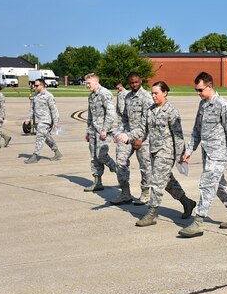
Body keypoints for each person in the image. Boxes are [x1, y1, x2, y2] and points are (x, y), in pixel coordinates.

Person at [117, 82, 196, 227]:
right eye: (152, 93)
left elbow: (178, 136)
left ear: (165, 93)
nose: (153, 96)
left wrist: (181, 156)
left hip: (167, 152)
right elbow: (142, 130)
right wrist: (128, 137)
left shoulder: (171, 111)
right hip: (153, 151)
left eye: (156, 93)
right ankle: (187, 202)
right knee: (165, 181)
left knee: (156, 182)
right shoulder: (150, 110)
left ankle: (151, 213)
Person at [179, 72, 227, 237]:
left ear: (209, 86)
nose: (198, 93)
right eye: (196, 90)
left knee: (207, 185)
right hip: (207, 153)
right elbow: (196, 130)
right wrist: (188, 151)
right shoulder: (203, 104)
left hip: (219, 153)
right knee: (219, 185)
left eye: (200, 90)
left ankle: (198, 221)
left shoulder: (223, 105)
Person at [113, 73, 154, 205]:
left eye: (136, 82)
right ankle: (125, 193)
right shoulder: (128, 97)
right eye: (131, 83)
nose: (134, 85)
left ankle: (145, 193)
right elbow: (125, 118)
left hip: (143, 138)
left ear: (140, 81)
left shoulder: (146, 98)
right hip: (128, 135)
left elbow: (148, 122)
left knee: (145, 166)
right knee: (120, 162)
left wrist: (140, 139)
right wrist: (119, 133)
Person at [83, 73, 117, 191]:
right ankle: (97, 182)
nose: (87, 85)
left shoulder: (105, 93)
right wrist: (88, 131)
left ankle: (117, 169)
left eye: (89, 83)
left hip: (103, 131)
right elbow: (90, 116)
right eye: (86, 83)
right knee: (94, 157)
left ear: (96, 82)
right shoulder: (91, 96)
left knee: (101, 155)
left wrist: (105, 129)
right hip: (93, 131)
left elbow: (110, 113)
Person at [24, 79, 61, 164]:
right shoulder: (35, 95)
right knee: (46, 138)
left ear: (42, 85)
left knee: (39, 137)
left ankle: (35, 156)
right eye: (34, 85)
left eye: (37, 86)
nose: (35, 87)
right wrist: (28, 119)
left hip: (45, 120)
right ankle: (57, 152)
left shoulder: (49, 96)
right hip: (37, 120)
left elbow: (54, 110)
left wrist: (56, 122)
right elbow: (31, 108)